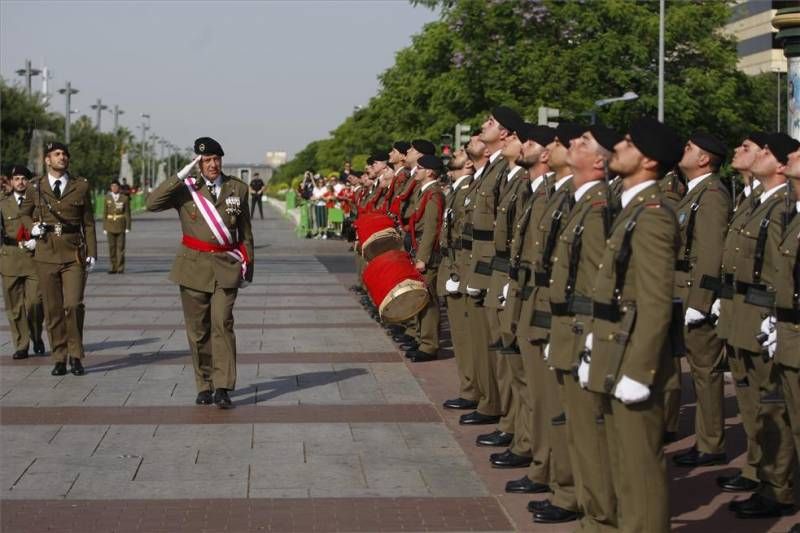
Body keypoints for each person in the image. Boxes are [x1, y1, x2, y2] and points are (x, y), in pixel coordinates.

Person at [583, 117, 683, 533]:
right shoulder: (632, 208)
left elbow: (657, 302)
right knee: (621, 460)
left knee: (640, 466)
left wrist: (641, 371)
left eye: (627, 143)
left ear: (649, 159)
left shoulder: (654, 214)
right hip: (613, 345)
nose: (617, 148)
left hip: (633, 356)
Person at [145, 137, 254, 409]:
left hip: (226, 267)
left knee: (222, 323)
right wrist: (180, 174)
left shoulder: (237, 189)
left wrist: (247, 268)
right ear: (198, 162)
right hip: (192, 268)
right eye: (206, 160)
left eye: (216, 159)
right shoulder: (185, 190)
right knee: (198, 330)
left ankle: (223, 386)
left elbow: (246, 233)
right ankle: (204, 384)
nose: (213, 164)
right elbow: (151, 203)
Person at [724, 133, 796, 519]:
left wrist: (773, 315)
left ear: (781, 164)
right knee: (755, 403)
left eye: (762, 150)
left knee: (773, 408)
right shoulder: (756, 201)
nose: (748, 153)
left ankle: (777, 485)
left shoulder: (783, 205)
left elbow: (779, 269)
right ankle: (762, 473)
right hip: (745, 312)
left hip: (764, 314)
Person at [669, 134, 731, 468]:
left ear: (705, 159)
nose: (684, 151)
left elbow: (710, 252)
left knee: (705, 370)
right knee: (693, 367)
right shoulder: (693, 192)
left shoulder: (712, 195)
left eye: (690, 148)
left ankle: (711, 444)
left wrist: (702, 300)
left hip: (694, 291)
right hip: (680, 287)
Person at [20, 142, 98, 377]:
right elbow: (23, 213)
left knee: (73, 305)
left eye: (64, 154)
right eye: (57, 154)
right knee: (53, 309)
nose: (62, 157)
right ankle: (59, 357)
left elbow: (88, 222)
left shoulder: (80, 186)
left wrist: (92, 252)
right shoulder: (35, 187)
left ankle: (76, 356)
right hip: (46, 252)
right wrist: (31, 227)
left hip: (73, 252)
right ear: (47, 160)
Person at [0, 165, 45, 359]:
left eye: (23, 178)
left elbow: (47, 226)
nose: (20, 182)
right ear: (10, 182)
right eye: (16, 178)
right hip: (9, 257)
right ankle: (21, 344)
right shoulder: (2, 203)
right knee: (14, 306)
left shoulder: (39, 203)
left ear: (29, 181)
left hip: (33, 258)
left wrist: (39, 239)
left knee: (35, 302)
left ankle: (35, 335)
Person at [405, 154, 445, 362]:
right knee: (420, 297)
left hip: (426, 253)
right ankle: (421, 339)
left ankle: (429, 345)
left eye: (419, 168)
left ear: (430, 172)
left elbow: (431, 229)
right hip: (418, 247)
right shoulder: (425, 192)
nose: (415, 171)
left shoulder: (434, 194)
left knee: (427, 300)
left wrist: (423, 258)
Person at [103, 180, 132, 274]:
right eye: (112, 186)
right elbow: (105, 213)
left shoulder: (124, 198)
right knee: (111, 248)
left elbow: (127, 213)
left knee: (120, 248)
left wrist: (128, 226)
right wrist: (104, 227)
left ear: (119, 187)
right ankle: (113, 267)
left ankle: (120, 268)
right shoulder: (107, 197)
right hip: (110, 225)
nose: (114, 188)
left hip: (121, 225)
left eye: (116, 186)